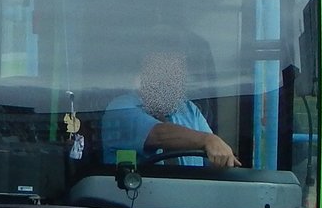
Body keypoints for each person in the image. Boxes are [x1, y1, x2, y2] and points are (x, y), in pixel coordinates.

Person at [102, 45, 239, 168]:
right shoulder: (120, 108)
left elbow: (214, 154)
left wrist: (221, 157)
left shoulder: (189, 110)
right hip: (133, 193)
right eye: (162, 72)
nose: (170, 81)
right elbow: (159, 135)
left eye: (176, 73)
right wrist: (207, 140)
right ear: (142, 75)